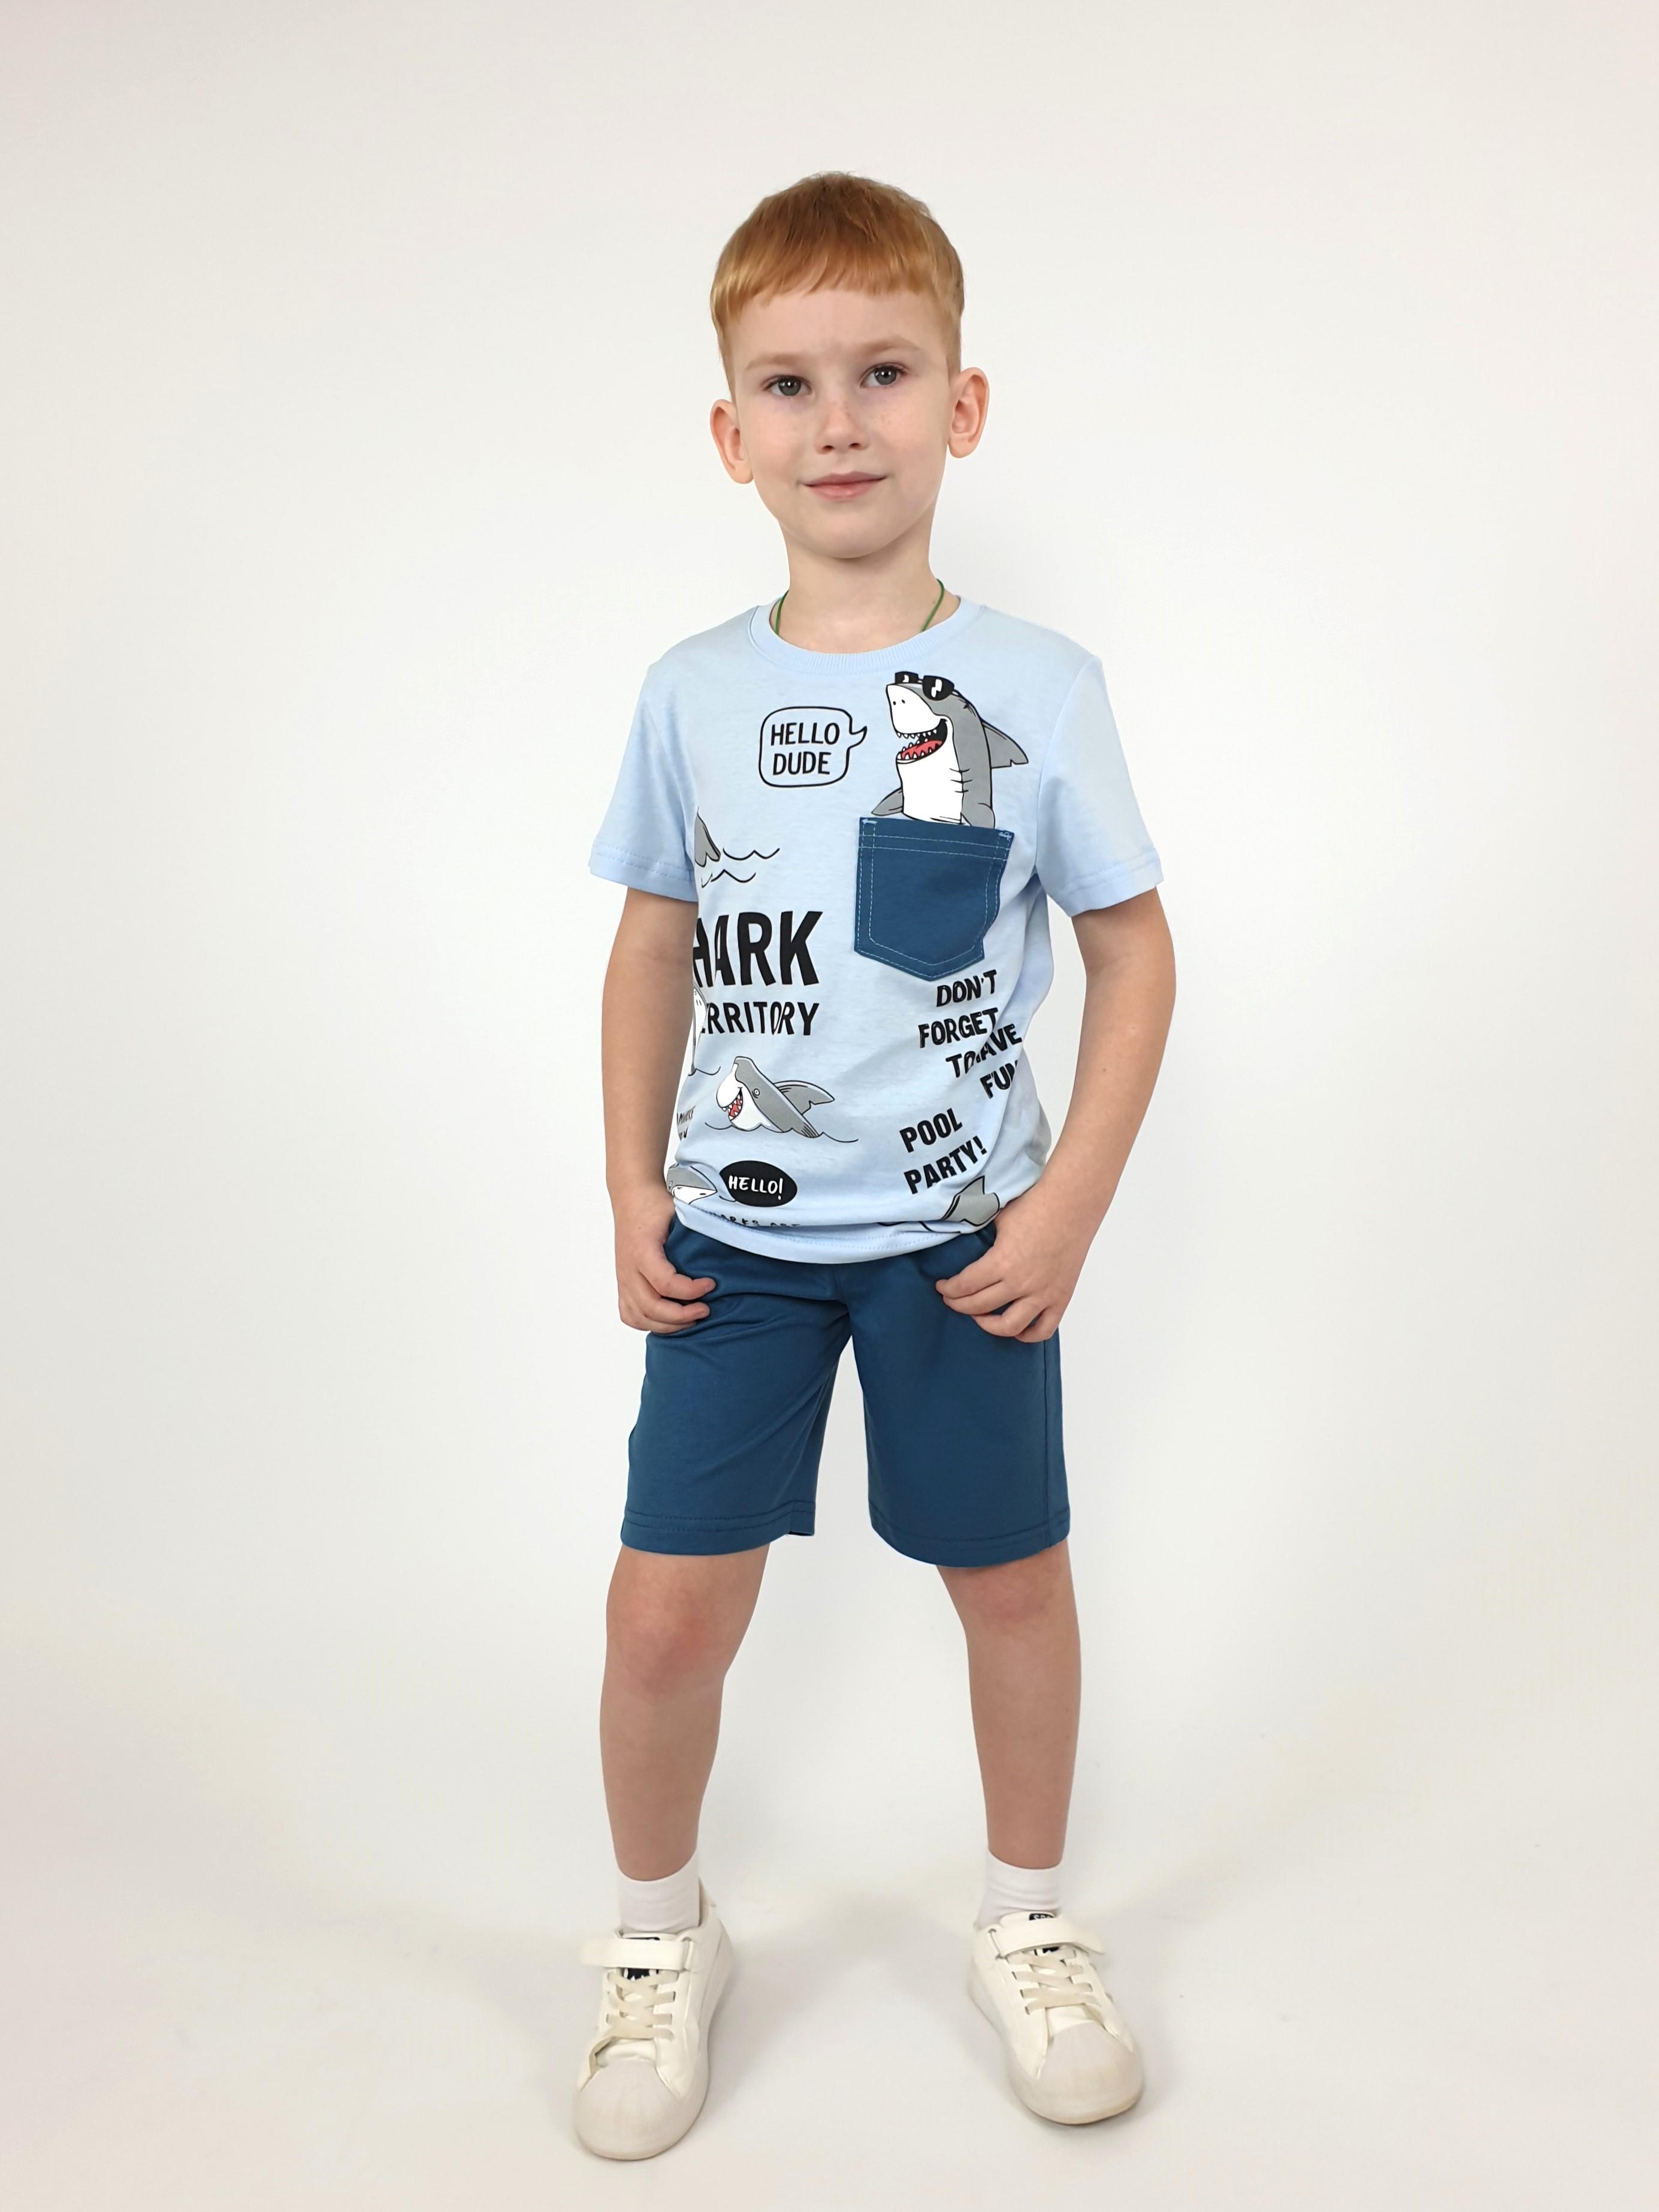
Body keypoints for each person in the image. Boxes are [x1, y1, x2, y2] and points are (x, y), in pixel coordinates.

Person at [573, 171, 1176, 2160]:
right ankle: (656, 1939)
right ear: (729, 433)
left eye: (884, 373)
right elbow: (651, 942)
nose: (838, 421)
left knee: (1009, 1586)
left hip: (959, 1242)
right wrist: (626, 1182)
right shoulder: (689, 691)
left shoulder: (1029, 687)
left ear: (961, 406)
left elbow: (1130, 951)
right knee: (664, 1618)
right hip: (733, 1249)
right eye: (789, 383)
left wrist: (1067, 1203)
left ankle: (1029, 1920)